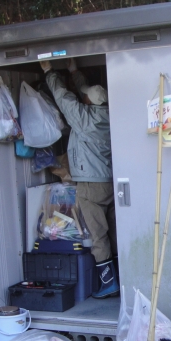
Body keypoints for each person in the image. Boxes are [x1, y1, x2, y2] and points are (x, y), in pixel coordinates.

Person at [40, 58, 119, 299]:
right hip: (109, 181)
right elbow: (85, 91)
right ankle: (123, 277)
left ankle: (109, 283)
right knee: (114, 231)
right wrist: (74, 71)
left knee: (98, 234)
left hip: (90, 184)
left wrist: (49, 71)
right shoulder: (108, 114)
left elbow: (64, 98)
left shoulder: (84, 119)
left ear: (87, 102)